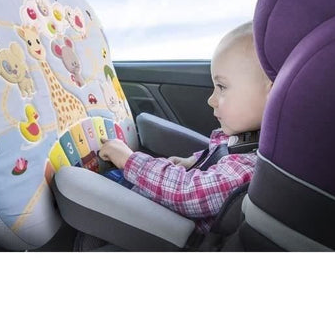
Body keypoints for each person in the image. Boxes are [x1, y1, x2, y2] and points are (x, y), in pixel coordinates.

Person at [99, 21, 273, 234]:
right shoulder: (248, 139)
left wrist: (129, 160)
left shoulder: (249, 167)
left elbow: (188, 193)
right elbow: (221, 154)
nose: (211, 100)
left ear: (273, 92)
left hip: (171, 233)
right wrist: (193, 161)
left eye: (222, 87)